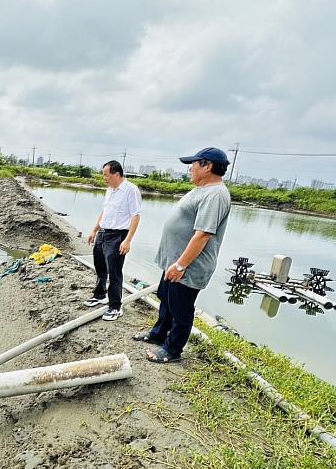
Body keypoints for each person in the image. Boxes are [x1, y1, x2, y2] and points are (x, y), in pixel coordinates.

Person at [134, 147, 232, 363]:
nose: (190, 169)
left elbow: (203, 234)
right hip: (175, 260)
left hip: (188, 265)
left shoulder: (215, 194)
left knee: (181, 309)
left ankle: (172, 350)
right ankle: (158, 333)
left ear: (207, 166)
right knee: (166, 301)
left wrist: (180, 265)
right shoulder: (201, 189)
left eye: (194, 164)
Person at [85, 160, 142, 321]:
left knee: (115, 272)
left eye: (106, 175)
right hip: (103, 233)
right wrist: (94, 230)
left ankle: (115, 306)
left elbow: (135, 216)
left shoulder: (131, 190)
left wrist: (128, 240)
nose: (104, 178)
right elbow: (105, 211)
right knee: (100, 266)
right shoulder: (110, 190)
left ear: (116, 174)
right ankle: (99, 295)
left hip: (118, 236)